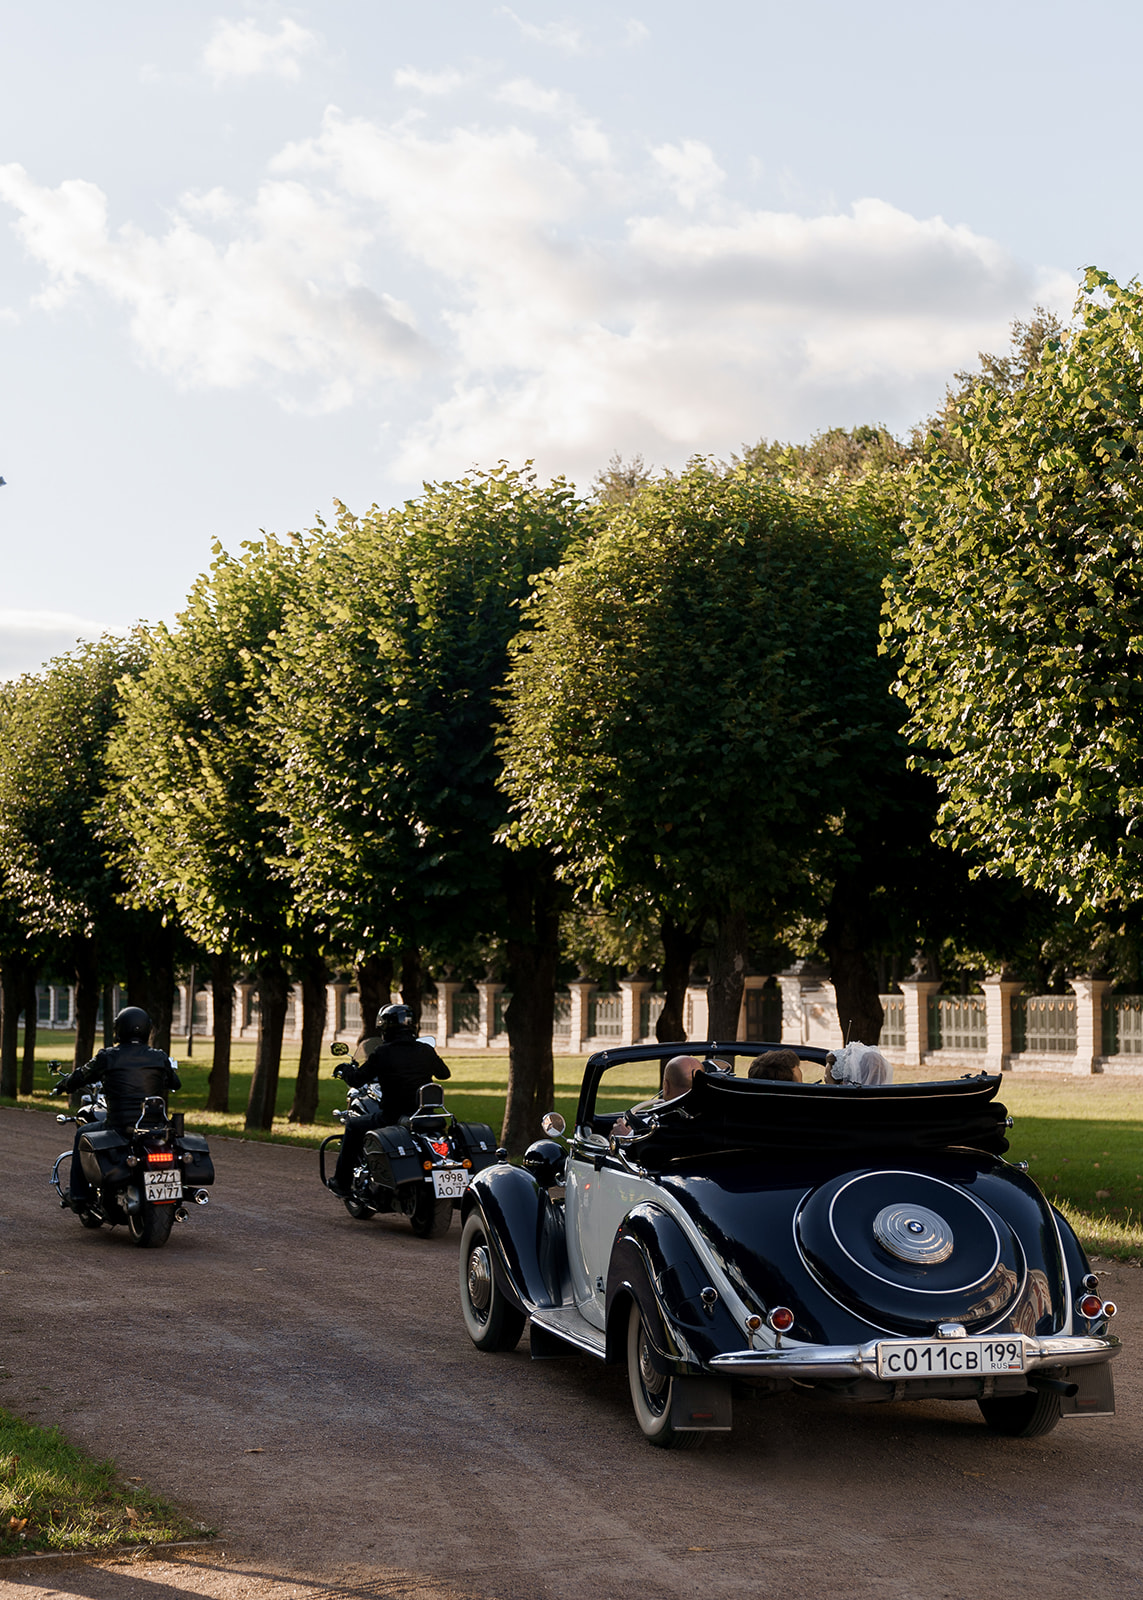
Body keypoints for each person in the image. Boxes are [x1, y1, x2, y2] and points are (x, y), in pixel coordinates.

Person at [53, 1007, 181, 1211]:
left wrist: (64, 1084)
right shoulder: (159, 1057)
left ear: (119, 1030)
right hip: (155, 1127)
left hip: (119, 1126)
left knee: (82, 1133)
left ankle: (78, 1195)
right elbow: (175, 1083)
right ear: (147, 1030)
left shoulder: (108, 1056)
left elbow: (81, 1075)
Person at [328, 1004, 451, 1196]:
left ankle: (342, 1183)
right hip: (425, 1116)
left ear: (385, 1027)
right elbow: (444, 1074)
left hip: (393, 1116)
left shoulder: (383, 1052)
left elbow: (358, 1079)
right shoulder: (425, 1050)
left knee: (353, 1126)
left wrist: (345, 1071)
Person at [612, 1054, 701, 1137]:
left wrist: (626, 1136)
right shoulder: (710, 1121)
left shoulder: (657, 1127)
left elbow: (646, 1149)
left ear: (666, 1086)